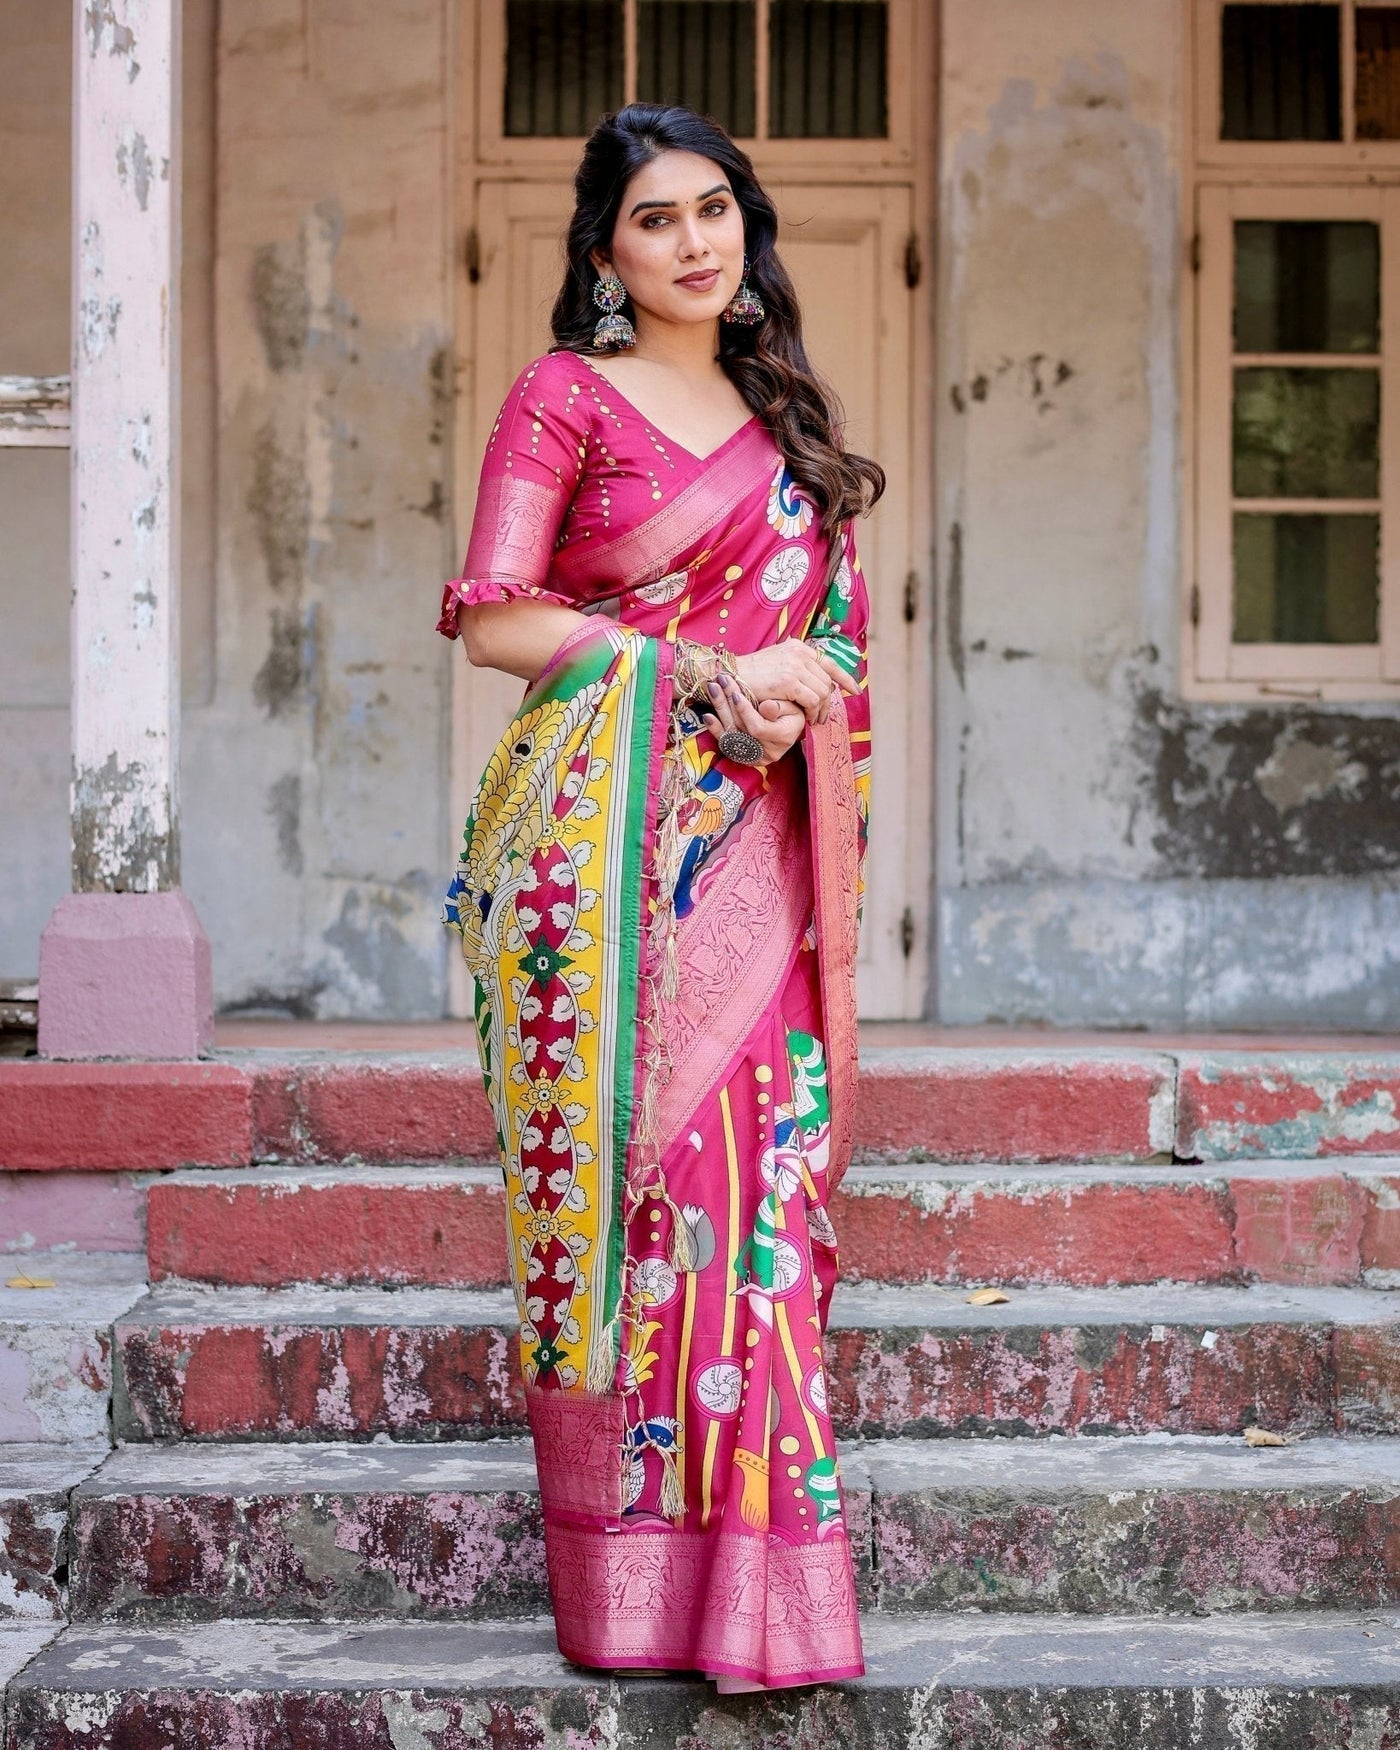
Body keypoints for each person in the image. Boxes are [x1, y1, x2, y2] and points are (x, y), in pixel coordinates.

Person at [437, 100, 880, 1693]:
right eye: (657, 220)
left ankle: (759, 1595)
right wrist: (701, 671)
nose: (698, 242)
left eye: (717, 211)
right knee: (644, 1209)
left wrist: (792, 691)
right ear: (607, 254)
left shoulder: (788, 415)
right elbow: (494, 617)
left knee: (757, 1212)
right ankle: (630, 1583)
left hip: (762, 845)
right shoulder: (568, 396)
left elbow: (835, 637)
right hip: (607, 870)